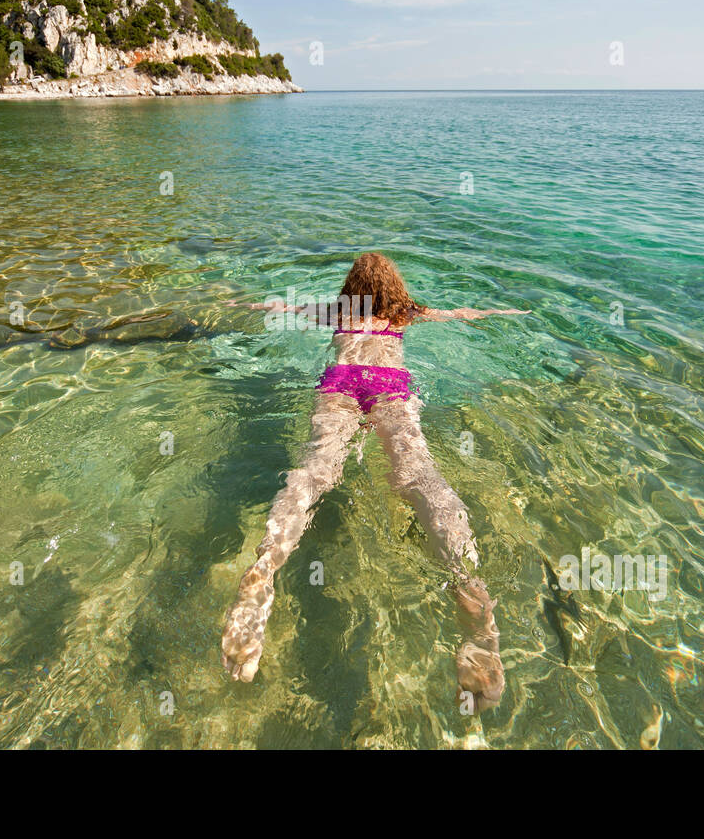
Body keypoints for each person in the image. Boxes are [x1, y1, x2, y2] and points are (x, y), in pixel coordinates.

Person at [221, 252, 527, 710]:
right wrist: (507, 311)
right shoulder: (406, 313)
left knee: (315, 474)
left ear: (351, 285)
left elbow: (282, 308)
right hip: (389, 385)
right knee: (421, 477)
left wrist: (238, 304)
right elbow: (463, 313)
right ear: (394, 287)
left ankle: (265, 568)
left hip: (341, 382)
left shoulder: (337, 311)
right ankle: (470, 593)